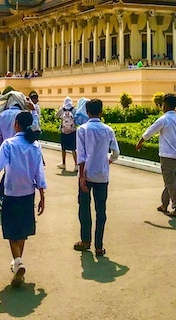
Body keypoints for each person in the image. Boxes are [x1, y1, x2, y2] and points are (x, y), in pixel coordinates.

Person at [0, 111, 46, 288]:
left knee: (11, 229)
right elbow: (39, 172)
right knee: (22, 229)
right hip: (28, 193)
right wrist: (42, 194)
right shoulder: (35, 145)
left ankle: (17, 260)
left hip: (11, 193)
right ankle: (18, 262)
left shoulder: (9, 144)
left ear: (16, 124)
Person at [73, 99, 120, 257]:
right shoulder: (108, 130)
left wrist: (81, 177)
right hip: (102, 174)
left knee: (84, 208)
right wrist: (109, 161)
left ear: (87, 112)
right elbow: (116, 152)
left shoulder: (82, 129)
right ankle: (99, 246)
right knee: (101, 210)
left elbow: (81, 155)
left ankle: (85, 240)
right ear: (101, 112)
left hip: (86, 174)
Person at [135, 93, 176, 217]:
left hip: (167, 154)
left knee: (170, 181)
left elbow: (150, 131)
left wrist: (140, 142)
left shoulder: (164, 119)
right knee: (170, 180)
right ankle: (164, 204)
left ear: (166, 104)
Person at [55, 96, 78, 171]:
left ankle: (64, 164)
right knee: (73, 148)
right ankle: (76, 165)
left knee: (63, 148)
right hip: (73, 131)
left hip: (64, 131)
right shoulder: (74, 109)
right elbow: (77, 118)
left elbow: (56, 116)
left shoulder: (62, 110)